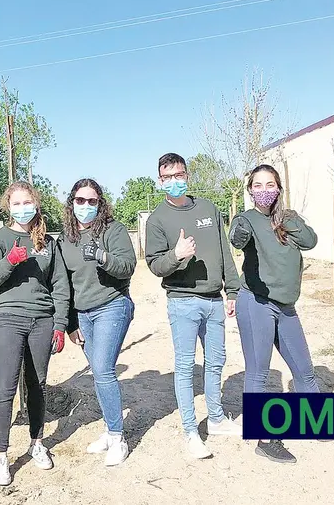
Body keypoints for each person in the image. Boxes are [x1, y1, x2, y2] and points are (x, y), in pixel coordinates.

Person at [228, 164, 334, 464]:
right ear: (250, 190)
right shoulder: (246, 218)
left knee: (304, 370)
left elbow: (310, 241)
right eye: (258, 186)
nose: (264, 191)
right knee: (259, 373)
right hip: (257, 303)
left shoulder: (288, 218)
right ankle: (265, 439)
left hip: (286, 307)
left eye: (270, 185)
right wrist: (240, 231)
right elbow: (237, 238)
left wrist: (285, 219)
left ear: (279, 188)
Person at [145, 152, 243, 460]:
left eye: (179, 175)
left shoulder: (209, 208)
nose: (174, 182)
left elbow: (224, 250)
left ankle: (215, 419)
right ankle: (190, 431)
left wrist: (233, 291)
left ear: (187, 175)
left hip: (214, 300)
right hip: (182, 301)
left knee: (216, 362)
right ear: (160, 181)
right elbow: (155, 265)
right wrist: (177, 255)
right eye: (167, 177)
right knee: (186, 367)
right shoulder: (158, 219)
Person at [0, 181, 70, 486]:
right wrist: (10, 261)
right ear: (8, 206)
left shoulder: (47, 243)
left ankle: (36, 443)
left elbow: (60, 286)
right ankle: (1, 457)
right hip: (8, 320)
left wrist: (60, 324)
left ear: (36, 204)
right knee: (5, 387)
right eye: (16, 203)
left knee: (37, 384)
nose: (22, 208)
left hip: (42, 322)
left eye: (27, 202)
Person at [57, 178, 137, 467]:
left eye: (93, 201)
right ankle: (109, 428)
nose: (86, 206)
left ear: (100, 204)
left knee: (102, 370)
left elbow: (128, 266)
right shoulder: (65, 239)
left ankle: (117, 438)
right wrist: (69, 324)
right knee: (99, 373)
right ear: (72, 203)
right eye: (81, 200)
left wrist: (103, 256)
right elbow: (63, 283)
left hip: (112, 305)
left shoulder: (112, 231)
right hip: (82, 314)